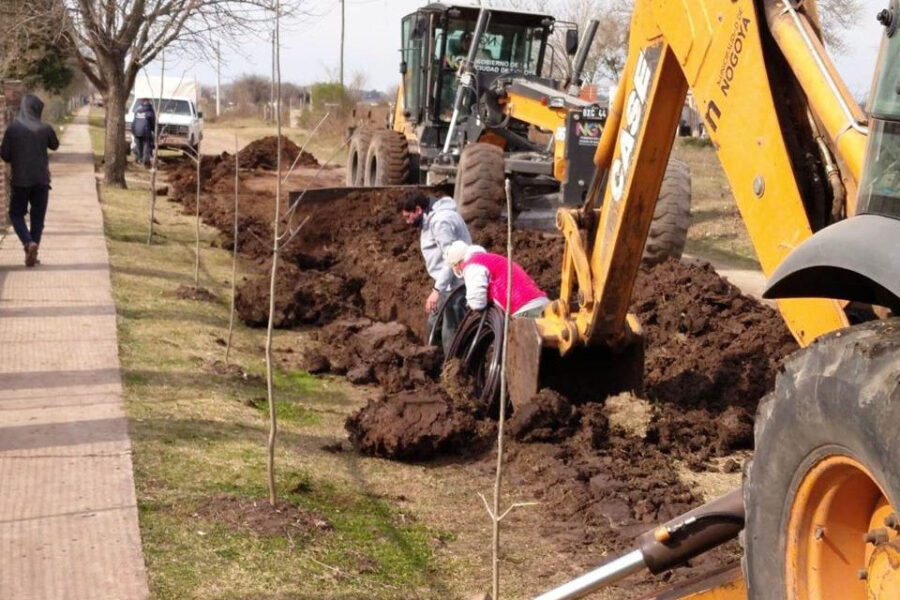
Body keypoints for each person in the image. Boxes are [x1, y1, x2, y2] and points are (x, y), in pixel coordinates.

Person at [397, 189, 472, 355]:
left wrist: (437, 290)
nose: (408, 222)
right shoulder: (431, 218)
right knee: (433, 323)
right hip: (446, 283)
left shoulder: (440, 222)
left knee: (450, 330)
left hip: (456, 284)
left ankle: (452, 369)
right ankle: (432, 363)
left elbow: (451, 258)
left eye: (408, 216)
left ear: (418, 210)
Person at [0, 93, 59, 267]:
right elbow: (54, 145)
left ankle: (28, 243)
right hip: (41, 180)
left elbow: (5, 155)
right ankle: (33, 249)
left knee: (16, 214)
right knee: (38, 219)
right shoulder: (45, 128)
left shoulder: (13, 129)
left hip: (20, 180)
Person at [443, 240, 550, 318]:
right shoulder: (487, 259)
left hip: (524, 309)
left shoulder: (472, 265)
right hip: (543, 304)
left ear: (457, 264)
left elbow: (477, 302)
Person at [131, 98, 156, 167]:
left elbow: (134, 122)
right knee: (146, 147)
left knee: (139, 147)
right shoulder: (150, 111)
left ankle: (139, 159)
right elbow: (153, 123)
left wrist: (133, 131)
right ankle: (145, 162)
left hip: (136, 131)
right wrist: (155, 131)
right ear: (148, 102)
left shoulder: (137, 110)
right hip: (146, 132)